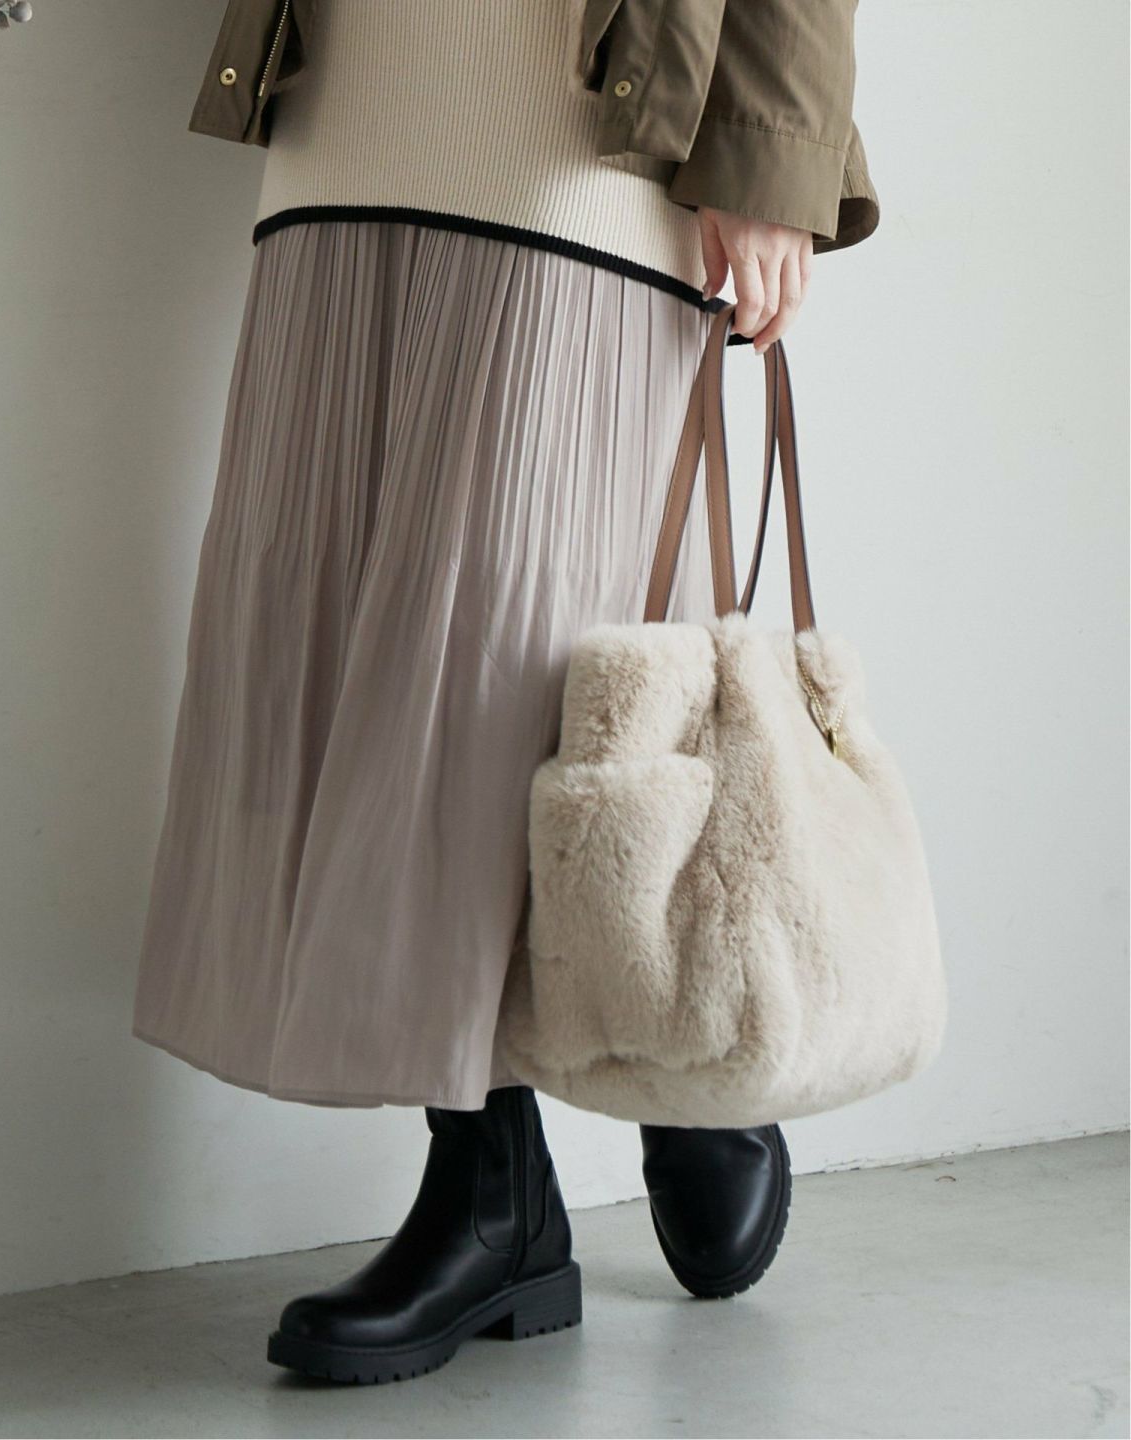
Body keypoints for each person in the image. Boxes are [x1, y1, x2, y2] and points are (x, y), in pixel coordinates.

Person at [133, 0, 879, 1385]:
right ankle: (497, 1194)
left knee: (499, 664)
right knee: (344, 658)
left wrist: (771, 154)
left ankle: (684, 1039)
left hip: (578, 130)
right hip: (345, 104)